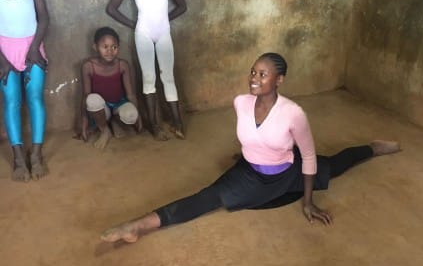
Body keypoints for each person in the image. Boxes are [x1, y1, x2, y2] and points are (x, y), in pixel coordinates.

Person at [101, 53, 400, 243]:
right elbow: (253, 135)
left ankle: (372, 149)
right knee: (206, 197)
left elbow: (307, 155)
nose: (254, 79)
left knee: (332, 166)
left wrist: (308, 202)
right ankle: (137, 226)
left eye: (263, 74)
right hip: (248, 173)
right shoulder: (241, 103)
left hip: (287, 171)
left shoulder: (293, 112)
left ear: (279, 80)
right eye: (253, 72)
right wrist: (249, 155)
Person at [106, 0, 187, 141]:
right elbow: (111, 8)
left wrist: (165, 20)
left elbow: (182, 5)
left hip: (163, 32)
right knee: (149, 78)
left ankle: (178, 122)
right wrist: (135, 25)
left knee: (167, 76)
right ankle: (154, 125)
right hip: (143, 33)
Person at [0, 0, 50, 182]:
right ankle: (19, 157)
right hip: (3, 51)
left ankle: (37, 155)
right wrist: (2, 60)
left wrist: (34, 49)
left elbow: (44, 18)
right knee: (11, 101)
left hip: (33, 45)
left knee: (35, 98)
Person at [78, 27, 142, 149]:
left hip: (119, 104)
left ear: (118, 47)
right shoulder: (88, 66)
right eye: (105, 47)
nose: (110, 51)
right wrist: (84, 125)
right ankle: (105, 130)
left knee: (131, 115)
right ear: (95, 47)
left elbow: (130, 95)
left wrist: (139, 118)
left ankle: (115, 121)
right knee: (91, 100)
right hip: (102, 109)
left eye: (114, 47)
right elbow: (85, 95)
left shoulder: (122, 65)